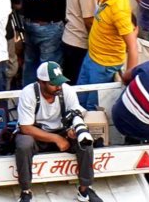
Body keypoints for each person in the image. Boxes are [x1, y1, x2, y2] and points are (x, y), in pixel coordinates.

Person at [15, 62, 96, 202]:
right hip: (36, 133)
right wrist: (56, 139)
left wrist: (72, 131)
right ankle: (26, 191)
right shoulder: (29, 93)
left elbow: (75, 114)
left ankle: (85, 190)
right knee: (23, 143)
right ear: (41, 82)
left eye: (60, 82)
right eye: (54, 84)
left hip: (61, 131)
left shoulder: (66, 91)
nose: (59, 86)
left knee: (85, 142)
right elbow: (25, 128)